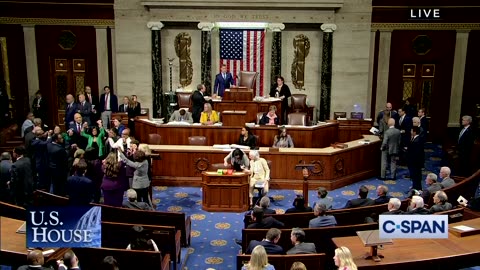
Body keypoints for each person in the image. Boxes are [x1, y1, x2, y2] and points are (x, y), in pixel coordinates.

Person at [406, 126, 424, 191]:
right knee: (414, 176)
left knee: (416, 175)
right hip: (414, 162)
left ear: (414, 132)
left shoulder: (417, 140)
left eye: (411, 131)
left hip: (415, 162)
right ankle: (414, 186)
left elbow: (415, 153)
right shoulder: (414, 138)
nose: (410, 132)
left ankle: (417, 188)